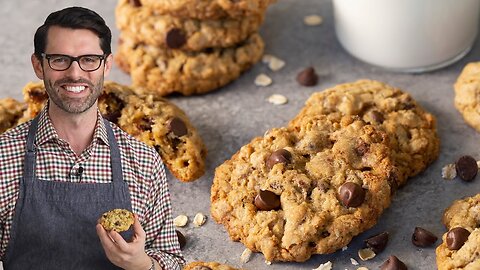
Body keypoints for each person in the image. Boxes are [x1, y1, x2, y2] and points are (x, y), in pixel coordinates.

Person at [0, 6, 185, 269]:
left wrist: (143, 264)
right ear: (38, 66)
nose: (75, 73)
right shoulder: (4, 156)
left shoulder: (144, 161)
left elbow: (172, 259)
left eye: (89, 59)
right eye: (60, 59)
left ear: (106, 65)